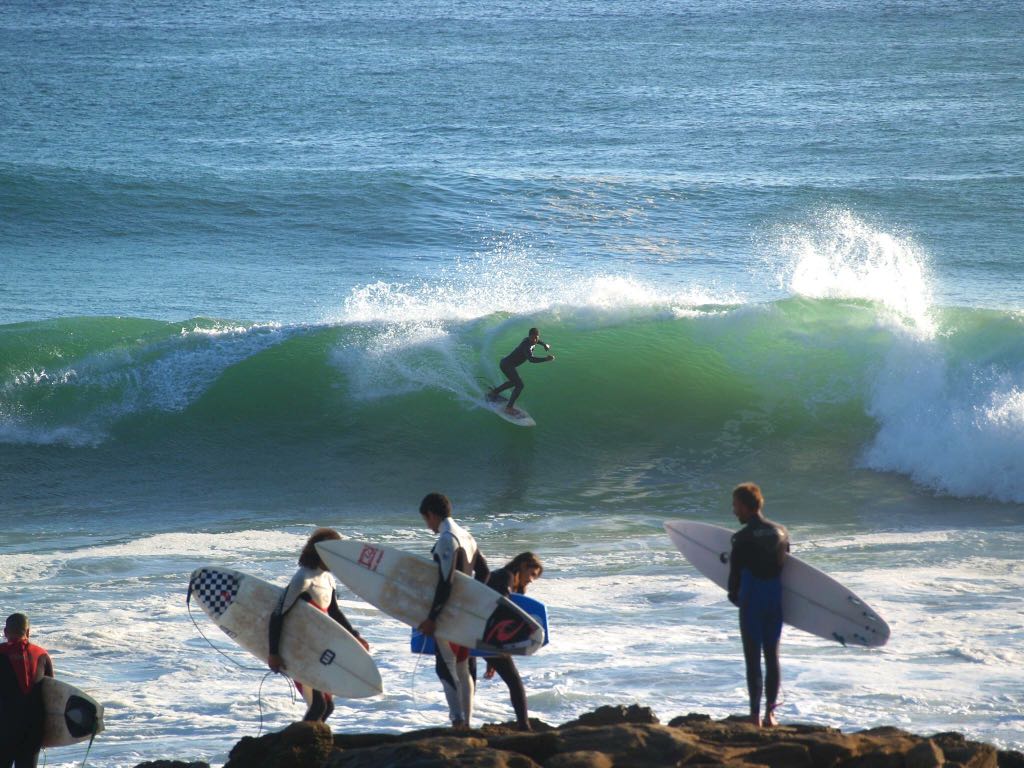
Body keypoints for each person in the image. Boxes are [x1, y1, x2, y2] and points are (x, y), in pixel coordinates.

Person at [268, 527, 370, 722]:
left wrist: (355, 636)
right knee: (319, 705)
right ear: (322, 553)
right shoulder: (303, 578)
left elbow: (334, 612)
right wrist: (273, 653)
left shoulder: (328, 578)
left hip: (319, 649)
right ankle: (301, 740)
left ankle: (312, 738)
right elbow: (277, 614)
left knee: (327, 706)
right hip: (300, 649)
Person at [416, 492, 489, 729]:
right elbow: (484, 572)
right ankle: (465, 723)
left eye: (426, 520)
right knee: (463, 666)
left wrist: (432, 617)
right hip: (464, 613)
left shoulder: (448, 539)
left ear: (431, 514)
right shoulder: (467, 536)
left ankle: (457, 720)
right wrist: (472, 603)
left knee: (445, 666)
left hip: (448, 615)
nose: (428, 526)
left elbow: (445, 582)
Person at [727, 482, 790, 728]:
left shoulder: (741, 538)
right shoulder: (781, 533)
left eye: (735, 506)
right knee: (772, 657)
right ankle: (771, 715)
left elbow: (734, 581)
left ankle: (754, 715)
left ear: (745, 506)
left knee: (753, 659)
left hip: (752, 602)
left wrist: (734, 596)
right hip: (774, 601)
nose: (734, 511)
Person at [483, 552, 543, 731]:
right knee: (514, 681)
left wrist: (491, 652)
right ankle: (524, 726)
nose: (531, 580)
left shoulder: (505, 577)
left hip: (477, 633)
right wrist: (494, 648)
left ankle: (463, 723)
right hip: (481, 634)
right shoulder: (505, 576)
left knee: (468, 677)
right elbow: (500, 607)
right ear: (523, 565)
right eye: (532, 574)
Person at [0, 613, 54, 768]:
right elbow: (51, 695)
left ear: (5, 632)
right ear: (28, 632)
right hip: (33, 729)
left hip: (3, 728)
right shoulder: (42, 655)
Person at [488, 327, 554, 415]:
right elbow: (531, 359)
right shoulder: (526, 346)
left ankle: (494, 392)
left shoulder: (532, 340)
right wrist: (545, 359)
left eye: (536, 337)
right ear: (529, 336)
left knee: (514, 382)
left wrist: (544, 344)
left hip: (507, 363)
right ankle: (508, 408)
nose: (535, 340)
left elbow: (538, 341)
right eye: (533, 338)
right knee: (520, 385)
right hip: (507, 365)